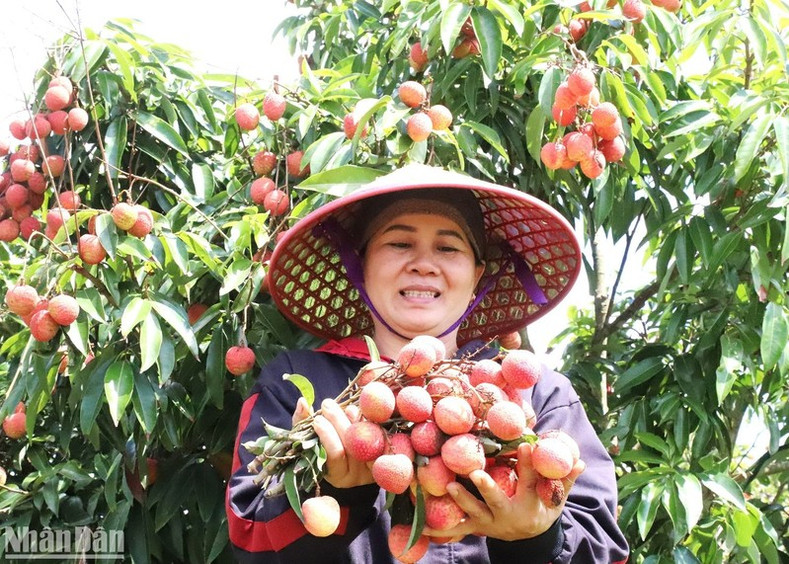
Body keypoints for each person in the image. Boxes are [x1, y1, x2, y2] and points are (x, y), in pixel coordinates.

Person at [226, 164, 629, 563]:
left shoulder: (536, 393)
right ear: (361, 266)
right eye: (399, 243)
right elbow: (250, 538)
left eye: (448, 248)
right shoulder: (298, 383)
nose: (423, 263)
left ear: (477, 276)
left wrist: (537, 539)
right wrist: (336, 492)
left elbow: (602, 547)